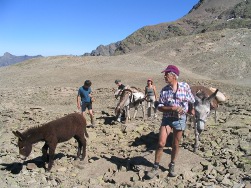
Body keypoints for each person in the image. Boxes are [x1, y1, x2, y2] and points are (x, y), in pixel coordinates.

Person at [146, 65, 195, 178]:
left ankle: (172, 164)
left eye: (166, 74)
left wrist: (191, 109)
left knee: (176, 144)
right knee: (161, 143)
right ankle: (156, 166)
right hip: (167, 119)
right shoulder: (164, 90)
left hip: (180, 119)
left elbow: (191, 100)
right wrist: (171, 108)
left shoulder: (185, 86)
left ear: (174, 76)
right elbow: (160, 107)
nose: (164, 76)